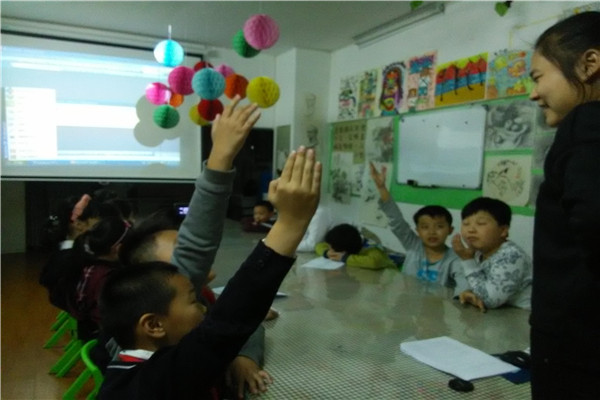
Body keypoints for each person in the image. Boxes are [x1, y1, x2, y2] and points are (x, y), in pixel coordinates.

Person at [98, 146, 321, 399]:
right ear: (154, 325)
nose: (204, 310)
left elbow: (229, 323)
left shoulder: (152, 359)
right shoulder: (153, 383)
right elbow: (228, 321)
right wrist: (291, 223)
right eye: (193, 302)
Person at [527, 11, 600, 399]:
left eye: (538, 77)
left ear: (589, 64)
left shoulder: (588, 122)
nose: (533, 93)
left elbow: (594, 221)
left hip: (576, 344)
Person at [369, 162, 467, 294]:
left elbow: (463, 286)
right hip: (408, 302)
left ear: (450, 230)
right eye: (425, 227)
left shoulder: (454, 259)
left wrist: (465, 293)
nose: (432, 232)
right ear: (418, 231)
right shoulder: (413, 246)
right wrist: (382, 188)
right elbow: (396, 221)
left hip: (436, 305)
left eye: (439, 226)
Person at [451, 197, 532, 311]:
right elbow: (478, 286)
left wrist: (468, 261)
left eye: (481, 223)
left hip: (523, 316)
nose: (470, 230)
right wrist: (469, 293)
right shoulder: (477, 253)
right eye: (466, 223)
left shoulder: (511, 255)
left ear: (503, 230)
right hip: (502, 314)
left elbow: (490, 300)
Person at [315, 223, 396, 270]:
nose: (331, 250)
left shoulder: (372, 249)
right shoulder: (344, 243)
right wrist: (326, 252)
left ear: (344, 250)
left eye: (332, 248)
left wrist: (344, 258)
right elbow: (319, 245)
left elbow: (374, 262)